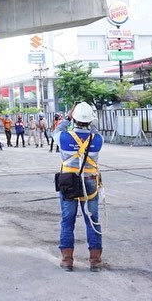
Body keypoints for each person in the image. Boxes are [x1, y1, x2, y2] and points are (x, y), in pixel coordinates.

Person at [57, 102, 104, 271]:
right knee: (92, 221)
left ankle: (67, 260)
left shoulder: (63, 137)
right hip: (90, 182)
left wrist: (67, 118)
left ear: (74, 118)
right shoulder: (98, 139)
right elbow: (95, 131)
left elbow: (55, 131)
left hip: (68, 182)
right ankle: (95, 261)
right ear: (90, 120)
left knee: (67, 221)